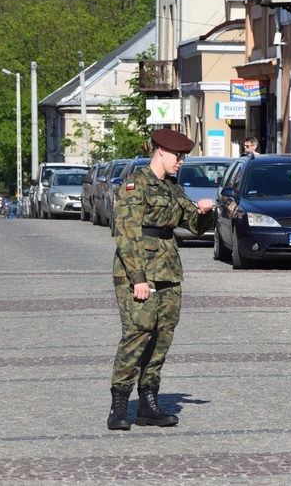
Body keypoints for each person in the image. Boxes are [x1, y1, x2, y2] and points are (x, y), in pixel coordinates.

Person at [107, 128, 215, 431]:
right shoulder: (134, 184)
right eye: (178, 155)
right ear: (160, 152)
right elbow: (126, 233)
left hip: (168, 270)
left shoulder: (172, 187)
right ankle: (118, 404)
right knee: (138, 333)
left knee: (162, 336)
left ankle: (148, 403)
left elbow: (193, 225)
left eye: (183, 156)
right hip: (138, 270)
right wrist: (138, 278)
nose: (181, 161)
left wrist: (205, 212)